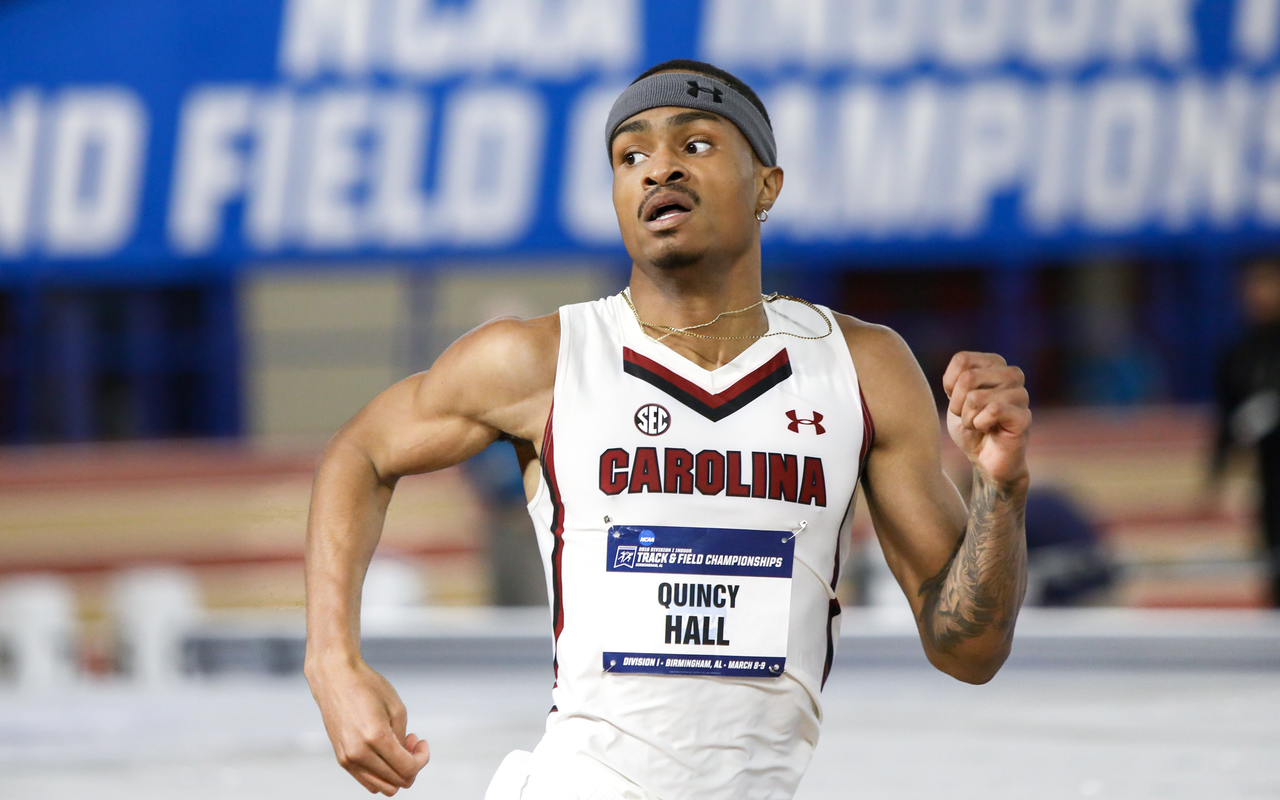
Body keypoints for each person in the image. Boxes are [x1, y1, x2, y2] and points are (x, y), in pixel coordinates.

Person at [303, 59, 1031, 799]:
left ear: (767, 188)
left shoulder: (859, 366)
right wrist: (332, 661)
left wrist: (1000, 488)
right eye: (632, 156)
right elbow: (361, 452)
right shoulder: (541, 360)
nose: (659, 170)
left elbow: (968, 649)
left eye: (697, 144)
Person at [1210, 257, 1280, 607]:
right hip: (1270, 479)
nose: (1260, 295)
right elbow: (1226, 420)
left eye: (1269, 285)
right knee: (1272, 552)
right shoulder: (1239, 354)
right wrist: (1216, 476)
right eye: (1253, 287)